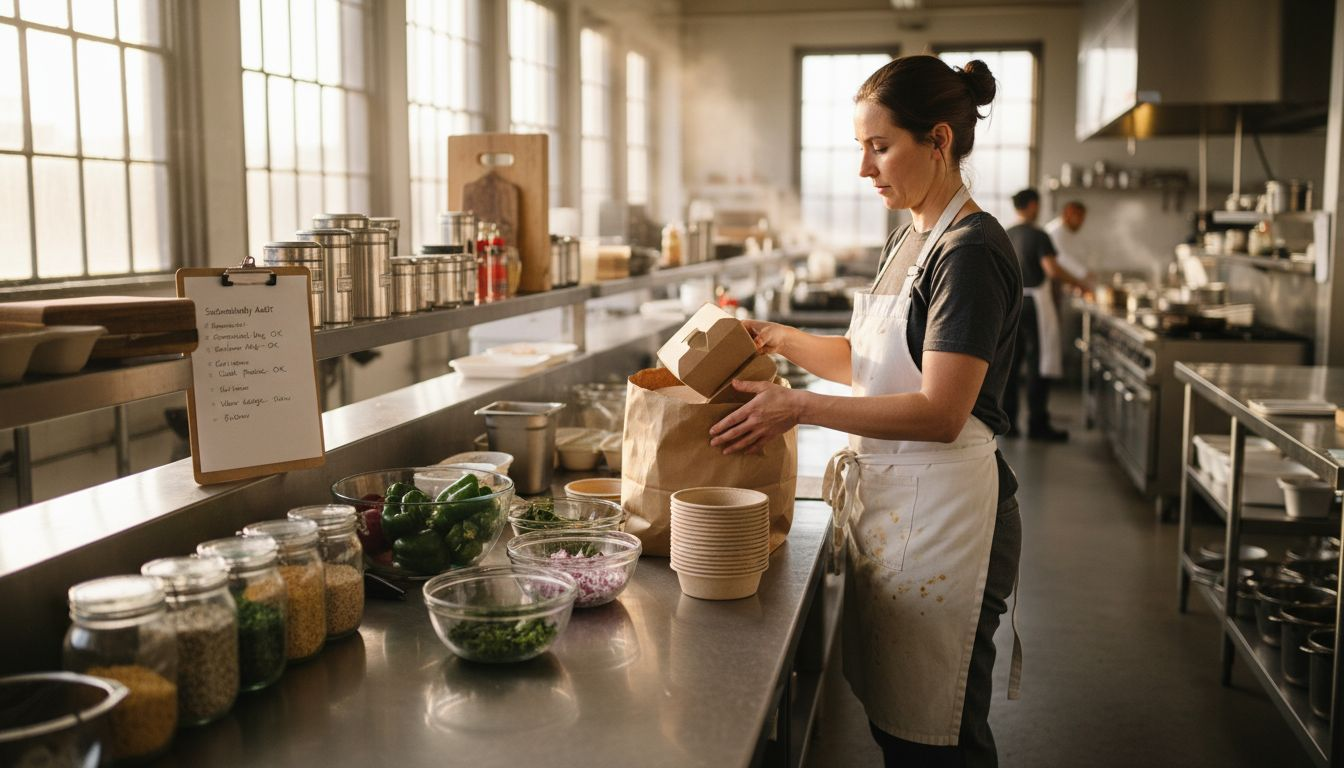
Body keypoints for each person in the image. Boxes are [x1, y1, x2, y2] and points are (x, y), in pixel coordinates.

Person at [707, 55, 1022, 767]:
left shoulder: (969, 252)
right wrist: (780, 338)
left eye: (880, 147)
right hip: (906, 506)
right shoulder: (913, 236)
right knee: (899, 726)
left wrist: (798, 406)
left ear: (939, 140)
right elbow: (875, 364)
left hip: (950, 519)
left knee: (939, 738)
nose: (864, 168)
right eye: (860, 147)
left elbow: (943, 410)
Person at [1002, 188, 1086, 442]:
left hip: (1012, 303)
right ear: (1032, 205)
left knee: (1010, 365)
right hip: (1036, 305)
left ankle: (1008, 423)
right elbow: (1051, 269)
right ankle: (1038, 424)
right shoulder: (1039, 235)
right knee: (1040, 362)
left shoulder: (1006, 234)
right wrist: (1079, 283)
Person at [1044, 200, 1095, 293]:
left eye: (1083, 218)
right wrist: (1084, 273)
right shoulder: (1055, 232)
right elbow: (1061, 257)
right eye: (1079, 217)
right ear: (1067, 214)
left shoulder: (1069, 232)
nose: (1081, 222)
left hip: (1064, 284)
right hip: (1050, 286)